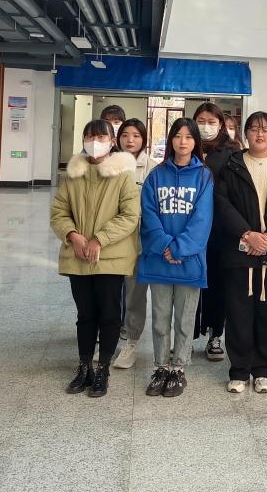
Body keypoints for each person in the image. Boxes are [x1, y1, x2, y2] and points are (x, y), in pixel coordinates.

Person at [50, 120, 141, 397]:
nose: (95, 142)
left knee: (110, 315)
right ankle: (84, 366)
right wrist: (73, 236)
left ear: (112, 141)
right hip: (78, 256)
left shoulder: (123, 175)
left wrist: (99, 239)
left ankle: (103, 369)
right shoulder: (73, 174)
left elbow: (130, 216)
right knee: (85, 314)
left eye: (101, 137)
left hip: (110, 256)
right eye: (90, 136)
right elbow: (59, 212)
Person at [214, 111, 267, 394]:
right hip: (239, 250)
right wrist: (247, 233)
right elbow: (222, 203)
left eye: (265, 129)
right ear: (246, 133)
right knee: (238, 312)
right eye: (254, 129)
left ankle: (263, 370)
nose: (260, 134)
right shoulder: (232, 164)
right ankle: (239, 370)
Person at [139, 119, 214, 398]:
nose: (183, 142)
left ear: (196, 142)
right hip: (158, 260)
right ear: (170, 140)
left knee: (184, 319)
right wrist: (164, 246)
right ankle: (161, 366)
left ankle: (178, 369)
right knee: (160, 319)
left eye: (188, 137)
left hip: (189, 262)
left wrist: (179, 248)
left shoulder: (204, 176)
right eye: (178, 136)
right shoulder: (156, 175)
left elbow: (203, 219)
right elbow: (148, 214)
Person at [194, 102, 240, 362]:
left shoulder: (232, 152)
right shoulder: (187, 146)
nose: (206, 126)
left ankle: (215, 335)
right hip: (189, 228)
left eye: (211, 122)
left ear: (221, 124)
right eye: (201, 121)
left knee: (218, 284)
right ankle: (186, 335)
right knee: (189, 283)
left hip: (220, 230)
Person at [112, 118, 159, 369]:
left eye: (136, 136)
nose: (130, 140)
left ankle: (131, 342)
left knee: (134, 294)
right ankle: (108, 340)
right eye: (125, 135)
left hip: (138, 242)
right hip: (110, 241)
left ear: (144, 139)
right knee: (110, 294)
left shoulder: (152, 168)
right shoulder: (108, 165)